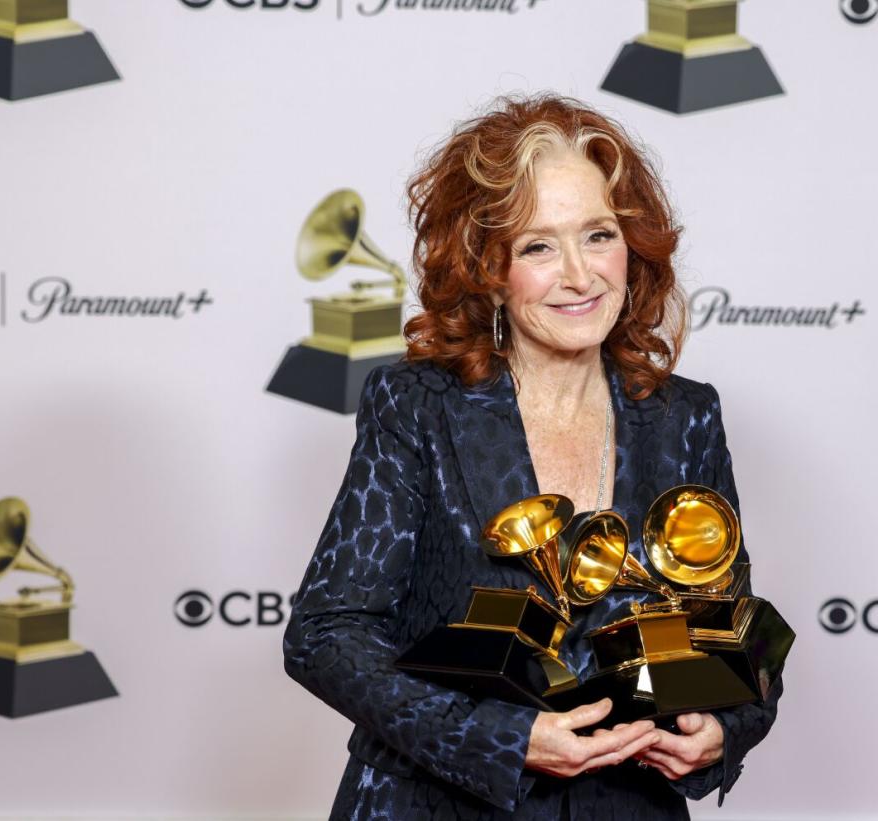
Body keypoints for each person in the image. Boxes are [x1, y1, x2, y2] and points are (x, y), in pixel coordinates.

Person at [283, 93, 783, 820]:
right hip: (434, 804)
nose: (580, 276)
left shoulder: (684, 414)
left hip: (626, 804)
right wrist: (502, 737)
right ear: (488, 266)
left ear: (632, 245)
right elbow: (327, 635)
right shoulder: (417, 404)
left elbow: (726, 627)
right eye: (538, 246)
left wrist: (724, 729)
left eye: (599, 235)